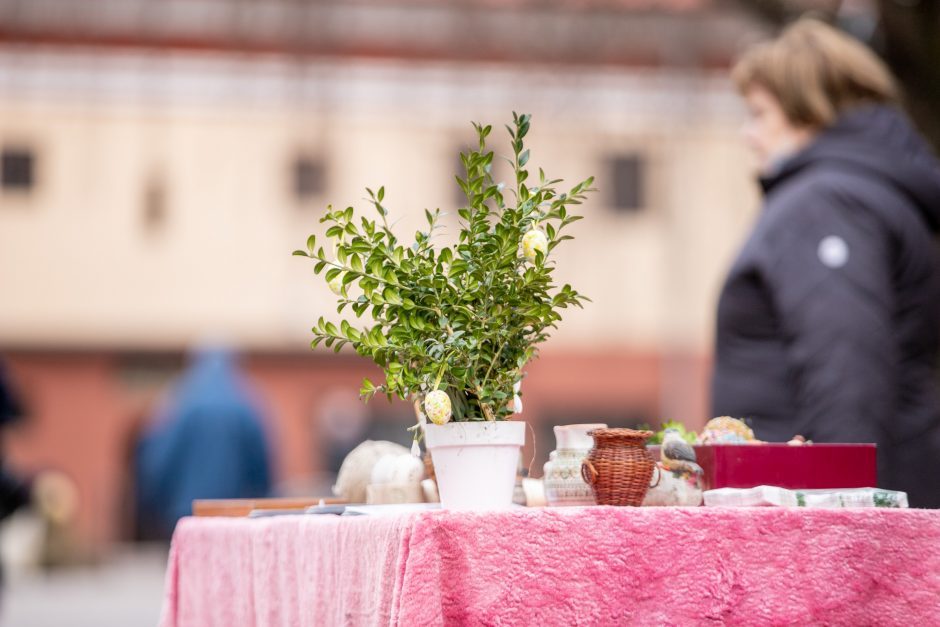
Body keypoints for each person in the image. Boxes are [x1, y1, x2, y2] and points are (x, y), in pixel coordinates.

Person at [711, 19, 940, 508]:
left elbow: (847, 373)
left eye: (759, 113)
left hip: (810, 530)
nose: (747, 134)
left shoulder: (827, 203)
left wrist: (842, 540)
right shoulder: (858, 194)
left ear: (808, 110)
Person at [135, 346, 272, 538]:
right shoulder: (247, 401)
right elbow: (263, 467)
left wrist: (156, 508)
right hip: (235, 516)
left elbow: (157, 463)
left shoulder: (178, 399)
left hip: (185, 515)